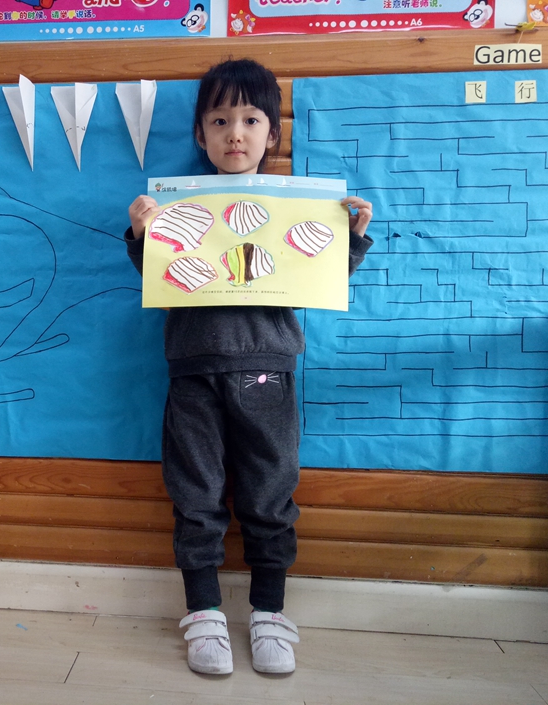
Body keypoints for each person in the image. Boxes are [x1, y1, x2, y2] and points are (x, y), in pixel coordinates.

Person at [124, 58, 374, 676]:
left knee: (271, 492)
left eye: (250, 119)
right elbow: (163, 280)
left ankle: (269, 614)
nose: (235, 133)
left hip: (268, 370)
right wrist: (143, 238)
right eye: (219, 120)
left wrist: (350, 239)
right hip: (193, 372)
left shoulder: (301, 206)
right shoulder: (175, 205)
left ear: (272, 134)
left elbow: (316, 278)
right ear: (200, 134)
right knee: (195, 495)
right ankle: (203, 613)